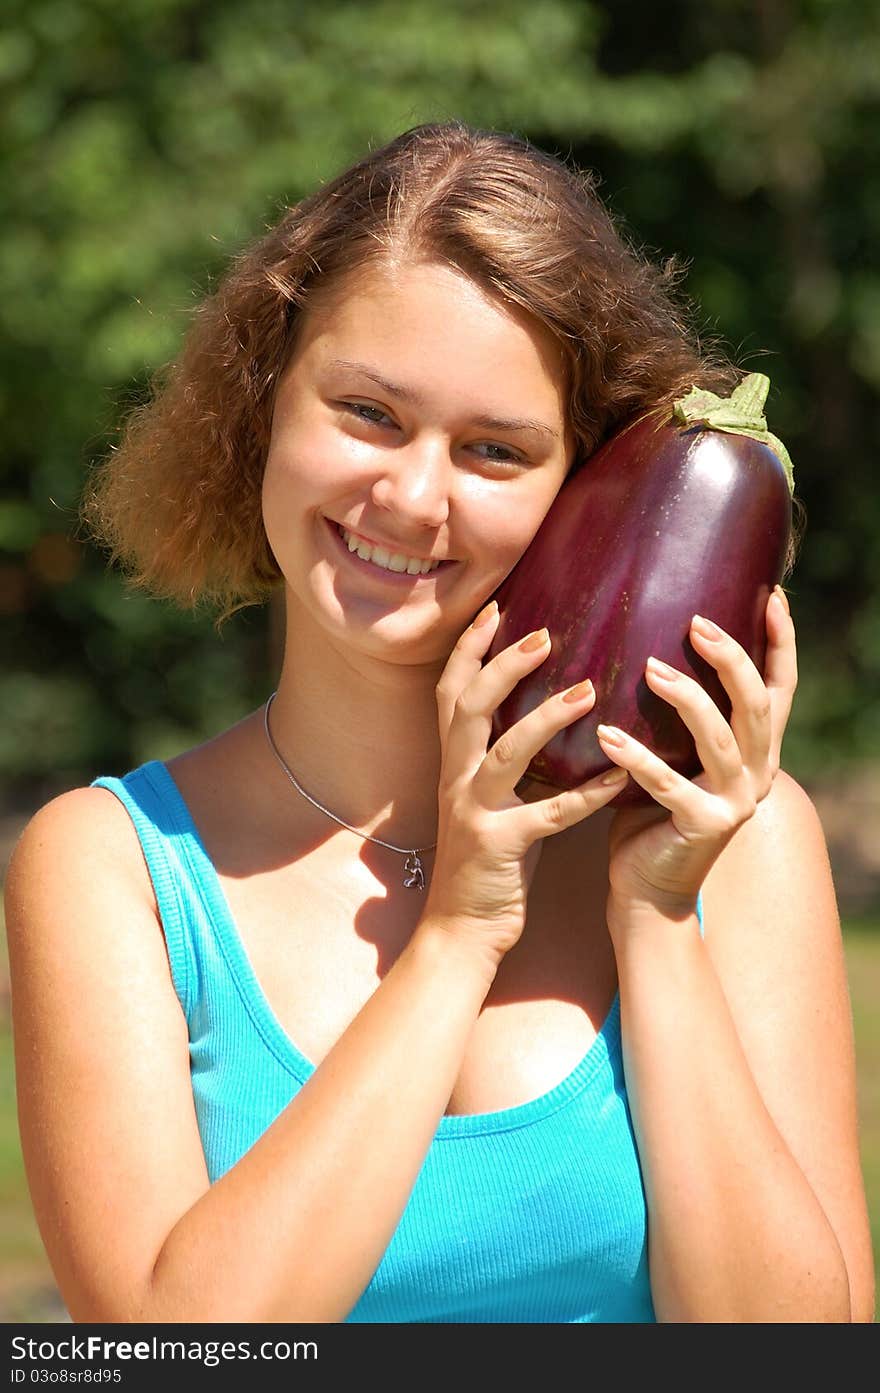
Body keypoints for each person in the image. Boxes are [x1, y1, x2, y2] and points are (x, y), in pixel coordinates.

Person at [4, 121, 874, 1325]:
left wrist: (658, 916)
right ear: (264, 406)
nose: (412, 498)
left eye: (494, 449)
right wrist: (458, 931)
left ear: (590, 488)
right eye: (366, 411)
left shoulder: (734, 838)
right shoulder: (112, 870)